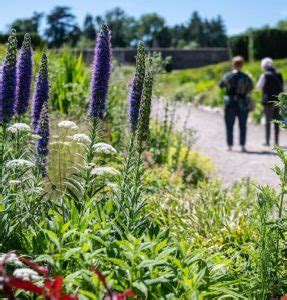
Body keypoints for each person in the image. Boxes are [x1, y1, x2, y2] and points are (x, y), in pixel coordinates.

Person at [219, 56, 253, 152]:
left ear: (233, 65)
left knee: (229, 125)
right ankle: (242, 145)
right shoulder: (246, 77)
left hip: (230, 103)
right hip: (242, 103)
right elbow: (251, 87)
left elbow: (221, 85)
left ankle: (229, 145)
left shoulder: (227, 76)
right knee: (242, 125)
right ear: (242, 65)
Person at [256, 57, 283, 146]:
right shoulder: (279, 75)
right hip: (278, 102)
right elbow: (283, 88)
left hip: (268, 102)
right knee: (276, 122)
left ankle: (267, 141)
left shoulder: (264, 75)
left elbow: (259, 86)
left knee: (268, 122)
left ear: (263, 66)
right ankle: (276, 142)